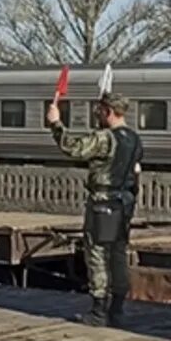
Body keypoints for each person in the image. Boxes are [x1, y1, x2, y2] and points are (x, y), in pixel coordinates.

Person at [46, 92, 143, 327]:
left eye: (99, 110)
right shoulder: (135, 139)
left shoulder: (105, 139)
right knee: (118, 253)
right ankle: (117, 309)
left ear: (108, 111)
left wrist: (56, 123)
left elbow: (74, 148)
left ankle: (99, 312)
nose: (96, 114)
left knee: (97, 253)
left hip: (103, 202)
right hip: (124, 202)